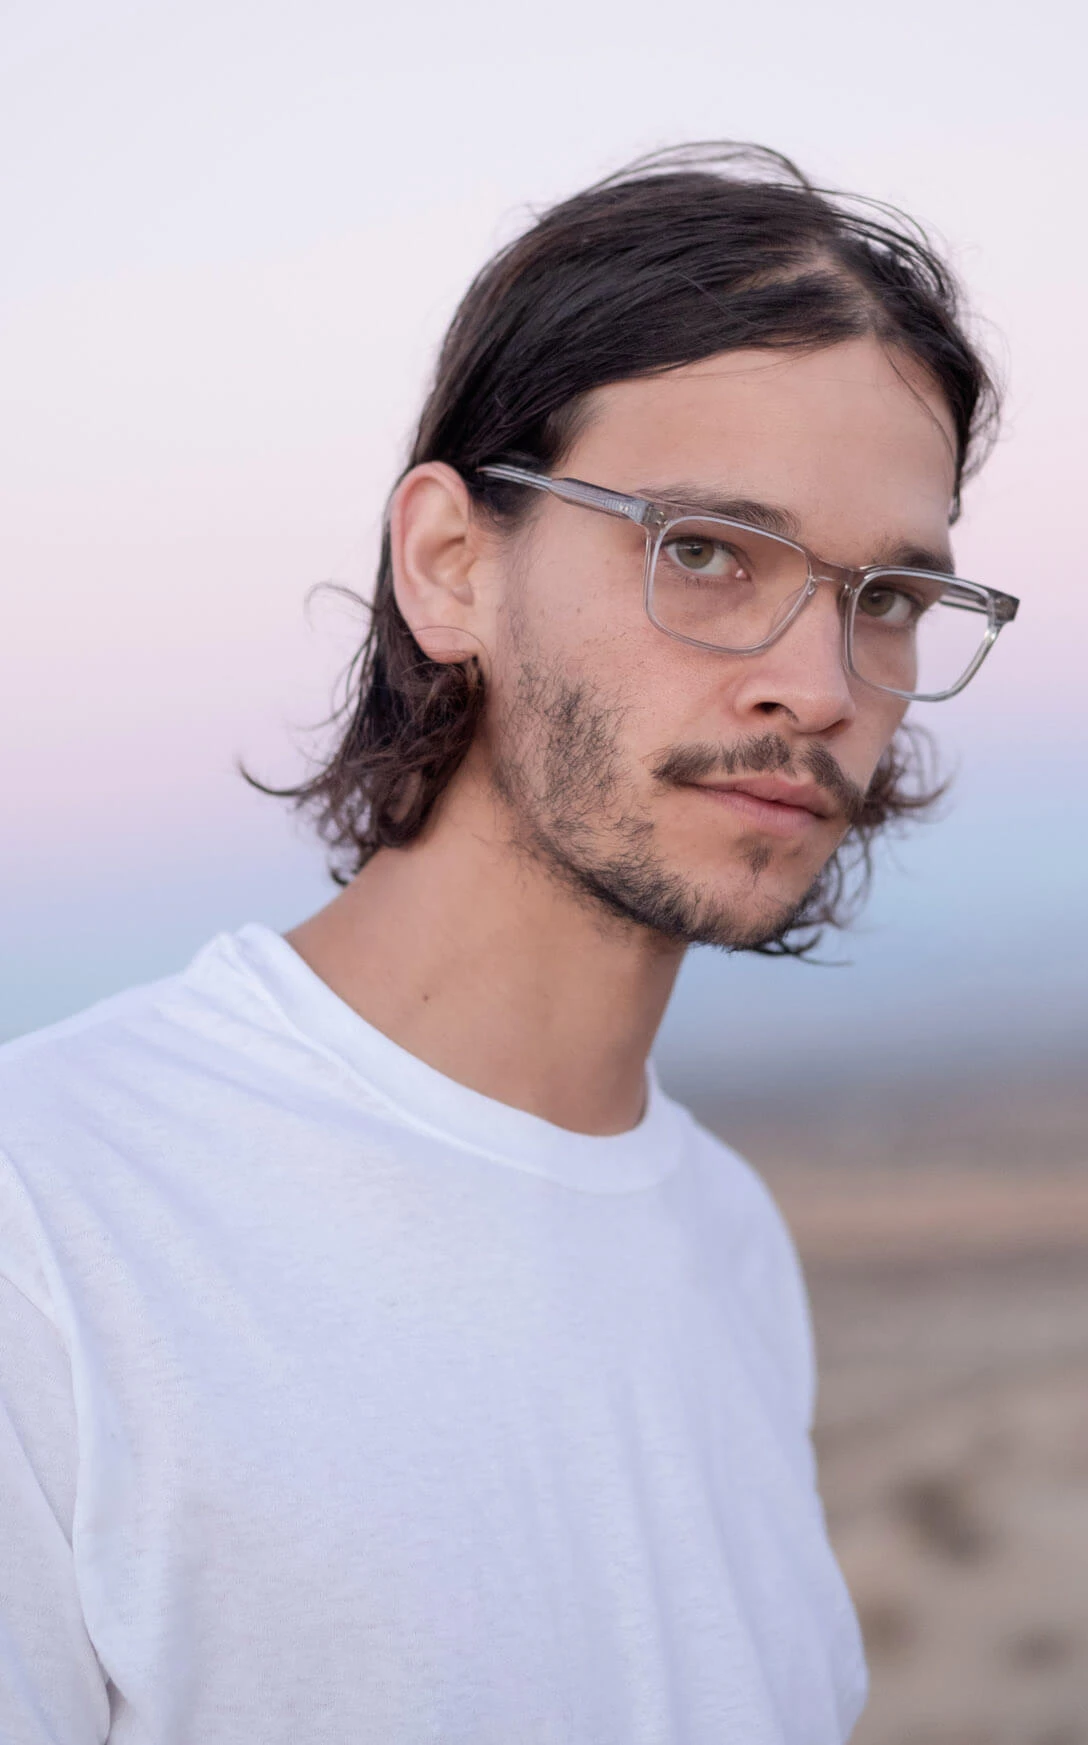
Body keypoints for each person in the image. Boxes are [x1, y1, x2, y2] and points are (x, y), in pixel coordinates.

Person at [0, 143, 1012, 1744]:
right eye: (704, 551)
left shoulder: (728, 1241)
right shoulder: (52, 1222)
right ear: (452, 567)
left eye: (885, 596)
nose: (819, 684)